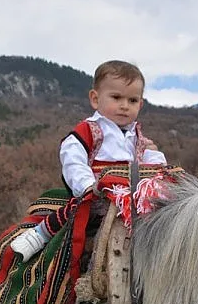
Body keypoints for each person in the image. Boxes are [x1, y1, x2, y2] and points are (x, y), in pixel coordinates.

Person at [10, 60, 166, 262]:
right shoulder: (90, 129)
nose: (124, 106)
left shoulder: (137, 136)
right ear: (95, 99)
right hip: (99, 191)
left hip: (130, 194)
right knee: (76, 211)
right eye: (116, 97)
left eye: (133, 101)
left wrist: (160, 168)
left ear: (141, 104)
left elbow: (150, 158)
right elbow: (72, 157)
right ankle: (40, 234)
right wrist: (86, 185)